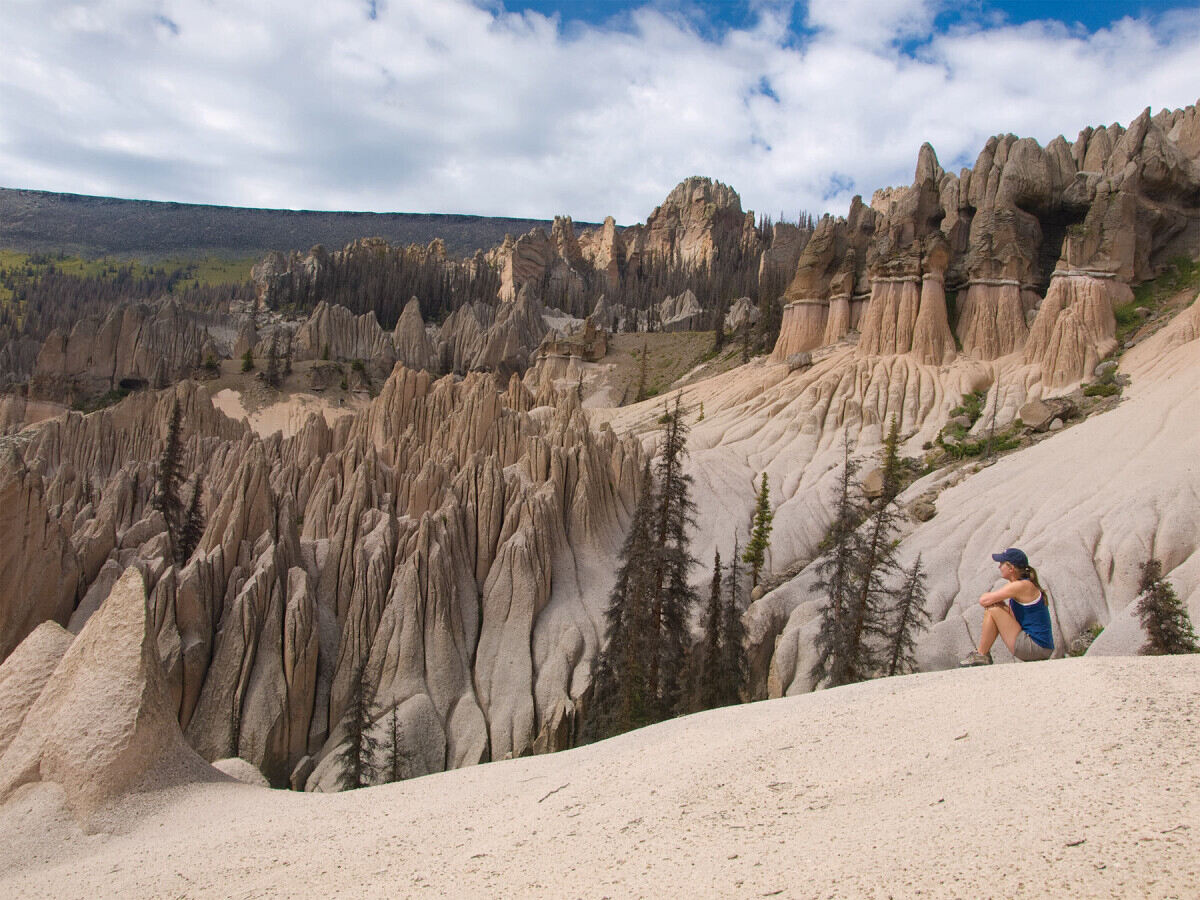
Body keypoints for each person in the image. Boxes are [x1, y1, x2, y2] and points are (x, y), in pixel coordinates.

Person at [959, 548, 1054, 666]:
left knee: (993, 608)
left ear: (1011, 568)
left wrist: (994, 603)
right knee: (995, 607)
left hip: (1035, 647)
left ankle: (982, 654)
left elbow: (983, 600)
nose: (999, 567)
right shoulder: (1024, 584)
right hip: (1041, 647)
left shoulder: (1020, 586)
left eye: (1001, 563)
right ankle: (982, 654)